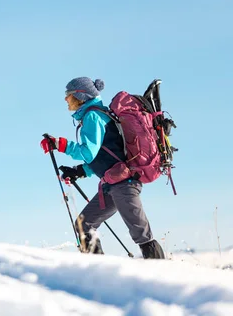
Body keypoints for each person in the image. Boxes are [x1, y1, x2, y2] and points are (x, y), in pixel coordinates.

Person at [40, 77, 165, 259]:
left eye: (69, 95)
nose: (66, 99)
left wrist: (61, 144)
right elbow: (107, 155)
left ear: (81, 96)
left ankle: (162, 274)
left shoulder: (93, 116)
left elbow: (88, 152)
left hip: (124, 185)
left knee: (142, 235)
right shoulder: (97, 114)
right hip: (112, 185)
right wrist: (79, 171)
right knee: (84, 225)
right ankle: (96, 269)